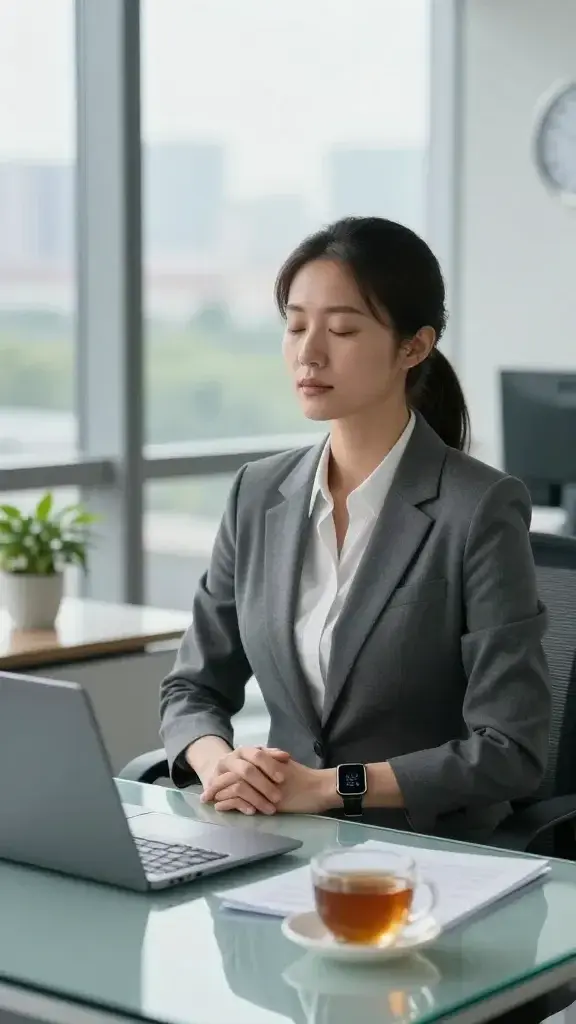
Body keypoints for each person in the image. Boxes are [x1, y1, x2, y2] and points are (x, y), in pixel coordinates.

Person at [160, 216, 551, 842]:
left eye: (342, 328)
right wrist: (220, 763)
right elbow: (194, 686)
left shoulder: (479, 509)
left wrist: (329, 786)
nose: (308, 352)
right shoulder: (257, 494)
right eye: (294, 324)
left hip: (427, 855)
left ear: (413, 347)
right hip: (276, 839)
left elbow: (510, 750)